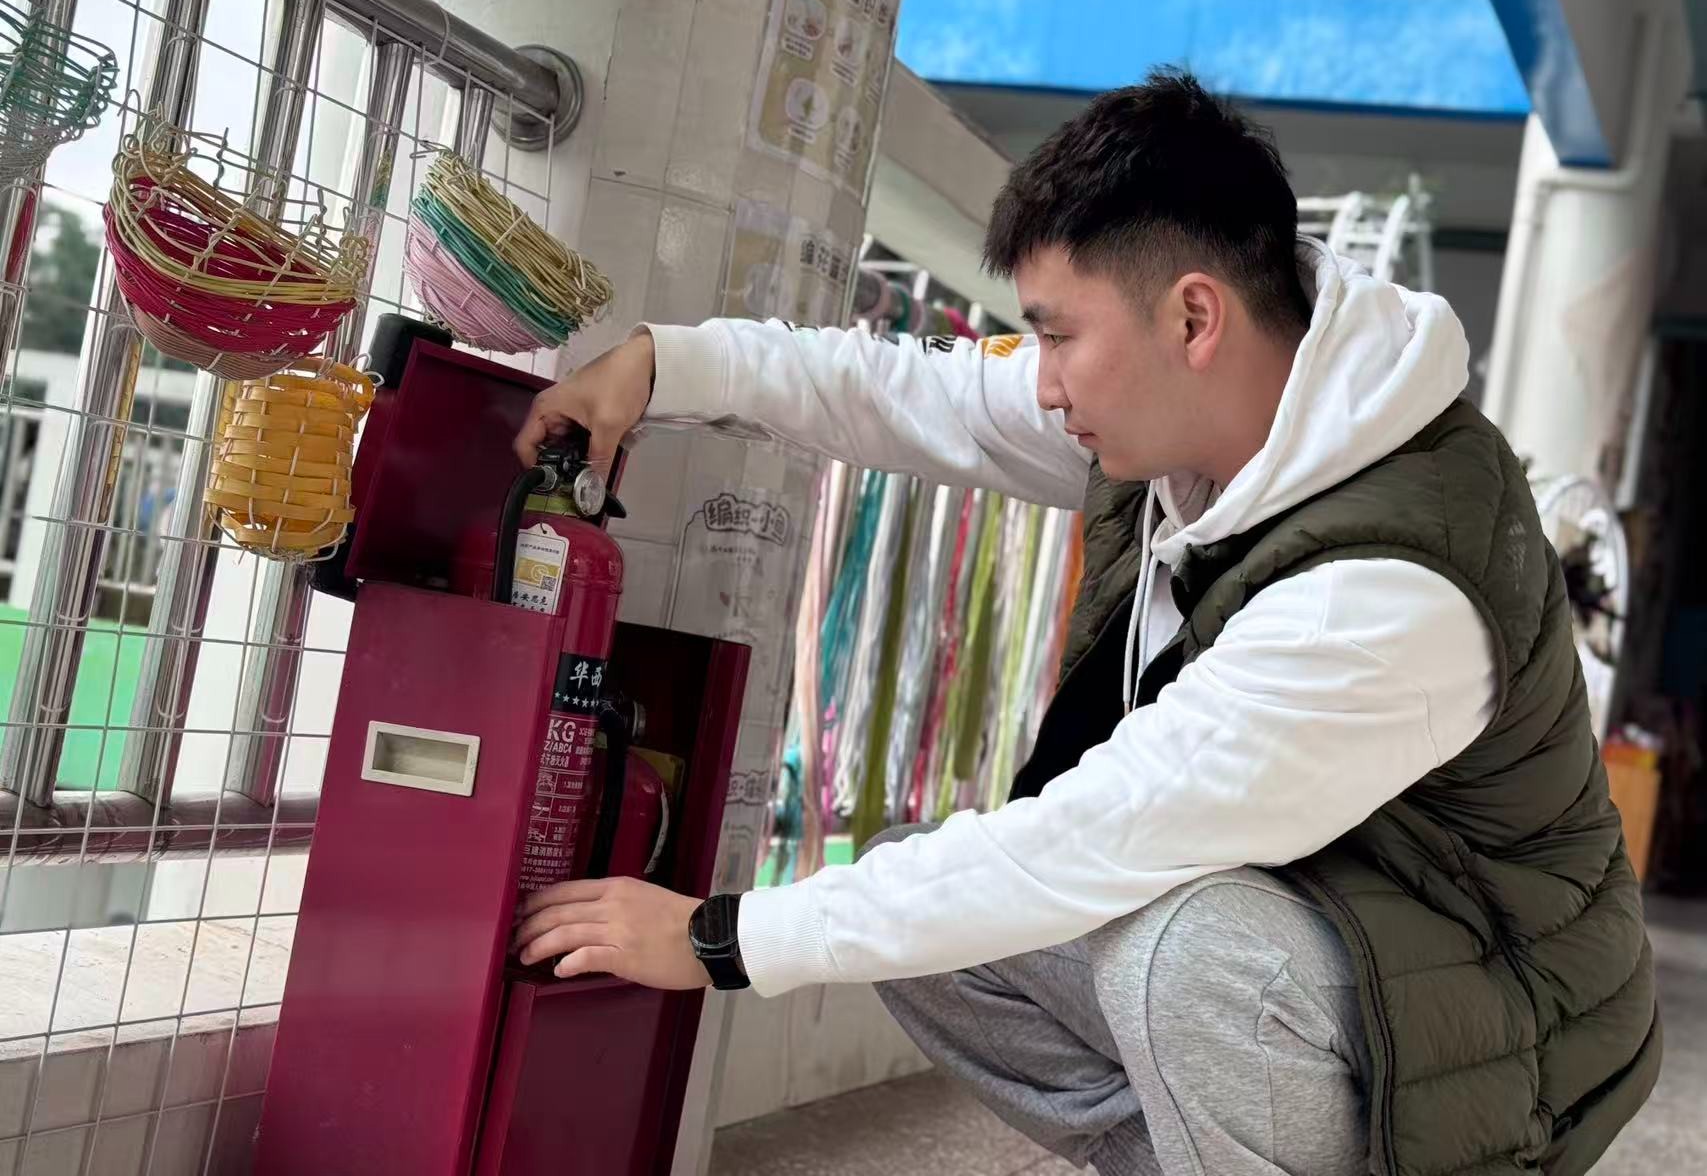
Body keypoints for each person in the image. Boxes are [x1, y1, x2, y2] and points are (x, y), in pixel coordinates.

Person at [511, 72, 1659, 1176]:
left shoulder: (1384, 590)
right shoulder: (1197, 408)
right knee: (928, 908)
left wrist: (721, 938)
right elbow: (911, 391)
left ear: (1194, 315)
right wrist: (668, 364)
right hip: (1332, 927)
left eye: (1059, 336)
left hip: (1493, 1036)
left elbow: (1098, 835)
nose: (1045, 379)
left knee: (1183, 955)